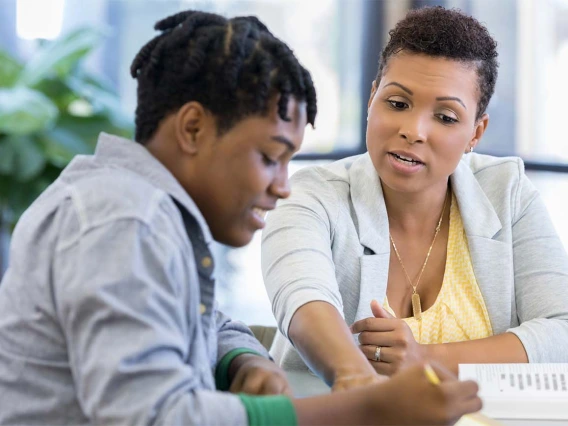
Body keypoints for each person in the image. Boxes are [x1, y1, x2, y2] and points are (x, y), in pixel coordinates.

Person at [0, 9, 481, 426]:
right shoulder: (125, 223)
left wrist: (242, 359)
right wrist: (369, 411)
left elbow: (203, 322)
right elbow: (154, 418)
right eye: (270, 157)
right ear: (193, 128)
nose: (282, 185)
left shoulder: (142, 209)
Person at [262, 5, 568, 391]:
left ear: (476, 132)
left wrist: (426, 359)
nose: (414, 130)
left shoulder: (507, 192)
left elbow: (563, 330)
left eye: (446, 117)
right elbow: (303, 301)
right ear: (373, 98)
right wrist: (358, 379)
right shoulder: (311, 194)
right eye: (398, 103)